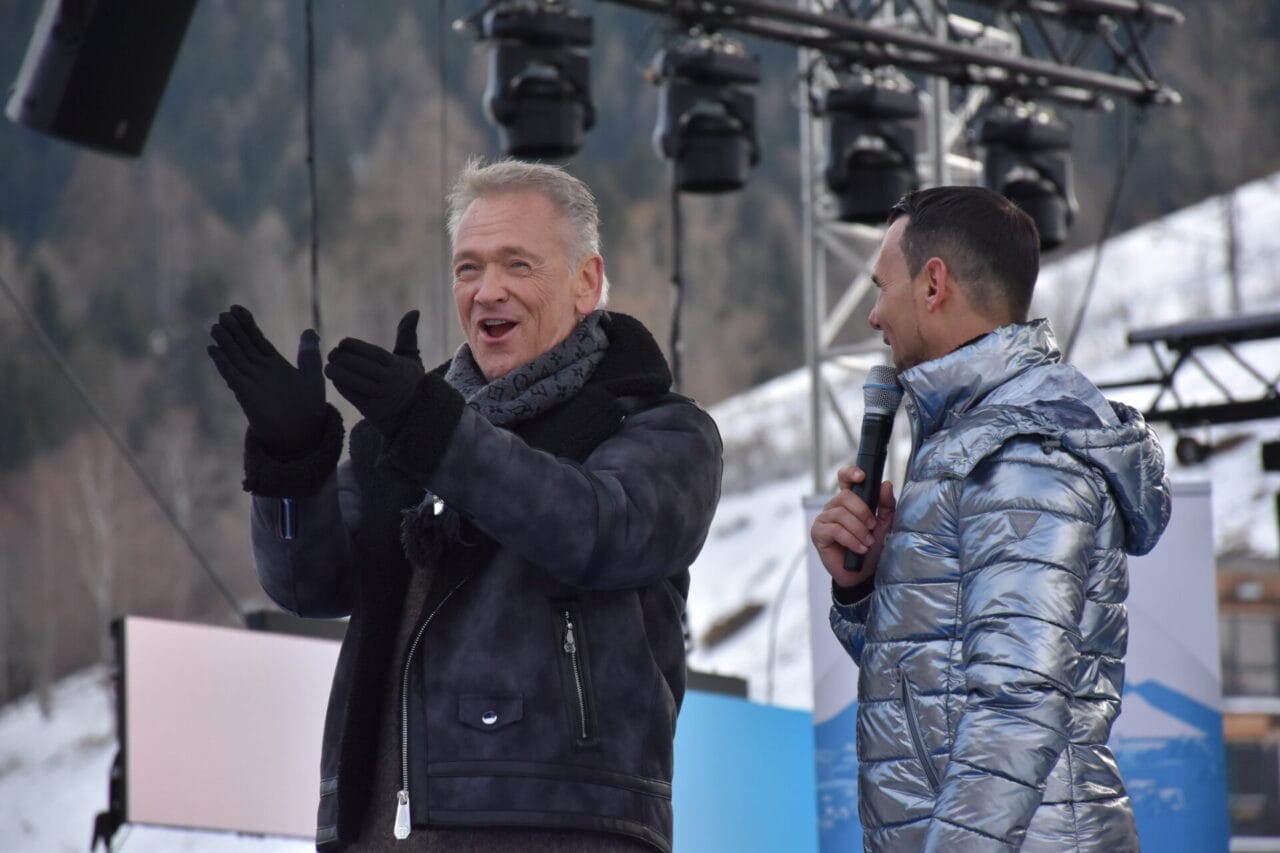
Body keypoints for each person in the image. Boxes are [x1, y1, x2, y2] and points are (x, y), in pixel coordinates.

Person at [208, 159, 723, 852]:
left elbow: (595, 528)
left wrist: (434, 428)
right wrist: (292, 462)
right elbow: (308, 585)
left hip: (565, 828)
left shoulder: (664, 431)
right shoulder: (411, 432)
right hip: (376, 833)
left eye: (517, 264)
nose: (488, 291)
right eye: (468, 268)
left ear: (587, 281)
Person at [810, 186, 1171, 852]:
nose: (872, 315)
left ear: (933, 284)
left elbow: (1018, 704)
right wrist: (864, 589)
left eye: (881, 288)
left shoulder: (1024, 452)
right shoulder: (971, 442)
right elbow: (930, 688)